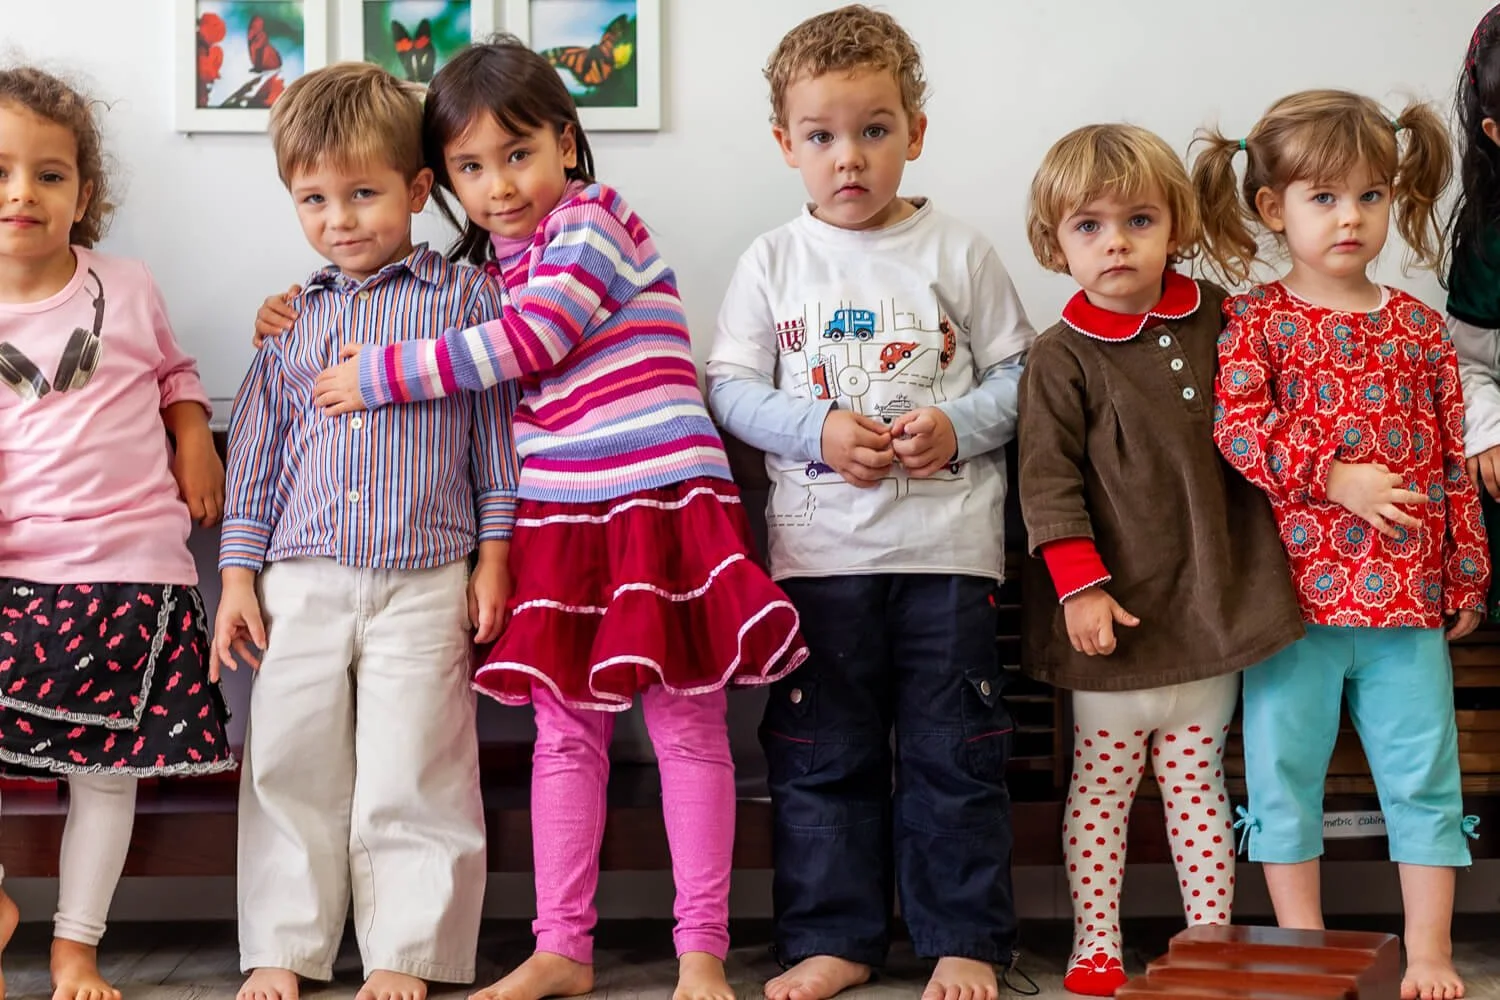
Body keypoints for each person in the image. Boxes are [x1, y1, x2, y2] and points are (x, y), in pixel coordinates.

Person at [705, 7, 1035, 1000]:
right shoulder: (772, 261)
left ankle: (964, 938)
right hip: (819, 561)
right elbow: (727, 387)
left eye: (875, 129)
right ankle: (836, 938)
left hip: (948, 553)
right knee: (818, 758)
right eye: (822, 136)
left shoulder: (961, 251)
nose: (849, 156)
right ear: (786, 147)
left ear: (916, 133)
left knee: (956, 754)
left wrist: (958, 426)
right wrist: (815, 431)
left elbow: (1023, 377)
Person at [215, 62, 520, 1000]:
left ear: (418, 190)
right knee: (287, 763)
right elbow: (259, 455)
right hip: (299, 578)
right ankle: (284, 945)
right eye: (314, 198)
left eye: (361, 193)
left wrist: (494, 555)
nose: (339, 218)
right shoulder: (292, 321)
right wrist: (236, 579)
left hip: (428, 574)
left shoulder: (467, 304)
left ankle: (409, 952)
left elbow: (494, 439)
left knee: (417, 767)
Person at [1196, 88, 1487, 1000]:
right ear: (1270, 206)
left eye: (1369, 195)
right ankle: (1302, 949)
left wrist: (1466, 568)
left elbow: (1450, 459)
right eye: (1323, 197)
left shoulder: (1418, 329)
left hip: (1405, 604)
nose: (1350, 217)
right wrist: (1334, 476)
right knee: (1283, 778)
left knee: (1424, 778)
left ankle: (1430, 949)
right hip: (1292, 609)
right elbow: (1234, 429)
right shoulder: (1257, 321)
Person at [0, 64, 233, 1000]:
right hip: (16, 569)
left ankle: (76, 949)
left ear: (84, 194)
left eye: (50, 175)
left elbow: (175, 374)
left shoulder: (126, 287)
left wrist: (193, 438)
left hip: (130, 567)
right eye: (2, 169)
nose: (23, 192)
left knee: (108, 774)